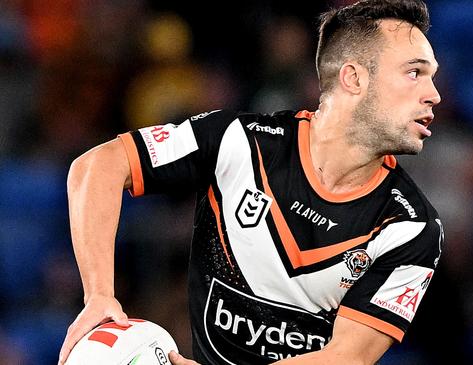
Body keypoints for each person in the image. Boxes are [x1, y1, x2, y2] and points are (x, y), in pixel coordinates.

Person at [58, 0, 443, 364]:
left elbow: (347, 357)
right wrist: (99, 295)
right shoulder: (238, 141)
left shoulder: (410, 225)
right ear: (353, 78)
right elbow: (97, 165)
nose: (434, 95)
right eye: (414, 72)